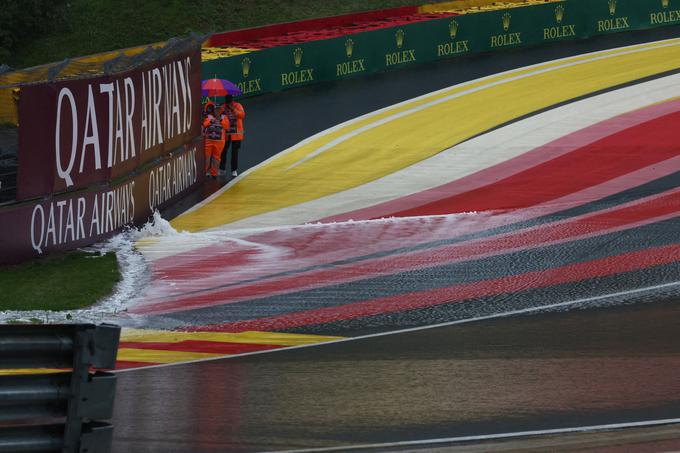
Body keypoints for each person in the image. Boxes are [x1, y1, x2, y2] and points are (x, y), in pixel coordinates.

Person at [219, 94, 245, 177]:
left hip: (236, 134)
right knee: (223, 151)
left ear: (232, 100)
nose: (228, 103)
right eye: (227, 102)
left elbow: (242, 115)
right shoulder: (223, 107)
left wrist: (233, 109)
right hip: (226, 133)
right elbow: (219, 117)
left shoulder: (237, 105)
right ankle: (222, 169)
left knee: (234, 152)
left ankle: (234, 170)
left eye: (229, 101)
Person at [203, 104, 229, 178]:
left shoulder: (224, 117)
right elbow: (204, 124)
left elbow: (227, 127)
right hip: (209, 141)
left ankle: (214, 173)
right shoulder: (209, 117)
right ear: (213, 110)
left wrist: (220, 120)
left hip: (219, 141)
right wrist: (211, 121)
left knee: (216, 158)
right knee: (207, 157)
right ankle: (204, 172)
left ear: (221, 110)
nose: (217, 111)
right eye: (216, 109)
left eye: (219, 109)